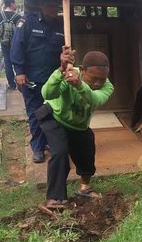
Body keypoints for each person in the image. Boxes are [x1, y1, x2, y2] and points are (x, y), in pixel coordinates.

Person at [37, 47, 114, 208]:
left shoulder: (107, 86)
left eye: (102, 79)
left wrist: (79, 84)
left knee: (86, 151)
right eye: (94, 79)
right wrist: (60, 71)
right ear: (83, 70)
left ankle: (85, 189)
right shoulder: (68, 75)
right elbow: (47, 94)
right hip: (55, 118)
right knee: (60, 152)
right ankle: (55, 198)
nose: (98, 83)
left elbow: (95, 100)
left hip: (79, 125)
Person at [11, 0, 64, 163]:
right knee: (35, 113)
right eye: (50, 5)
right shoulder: (27, 22)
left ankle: (49, 142)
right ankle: (38, 147)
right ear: (42, 5)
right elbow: (17, 46)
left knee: (52, 111)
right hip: (32, 78)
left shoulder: (61, 25)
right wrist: (19, 72)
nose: (53, 8)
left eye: (56, 5)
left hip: (53, 80)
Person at [0, 0, 21, 90]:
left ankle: (12, 84)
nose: (16, 4)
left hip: (4, 43)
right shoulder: (17, 16)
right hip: (16, 44)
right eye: (15, 2)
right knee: (17, 62)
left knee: (7, 63)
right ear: (11, 4)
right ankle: (20, 83)